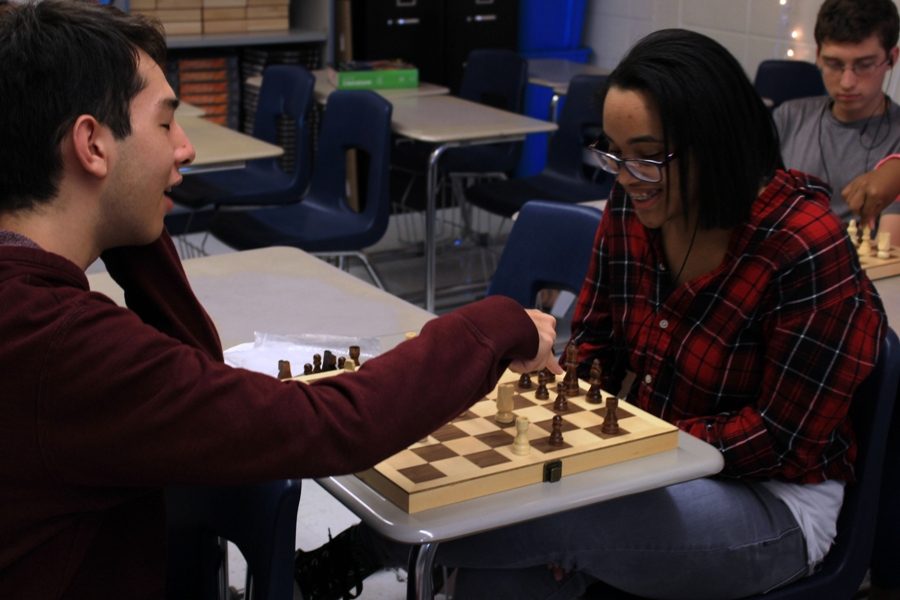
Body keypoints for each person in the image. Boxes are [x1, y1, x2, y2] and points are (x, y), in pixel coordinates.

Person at [297, 28, 887, 600]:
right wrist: (573, 412)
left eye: (649, 158)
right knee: (506, 571)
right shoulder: (632, 207)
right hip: (648, 463)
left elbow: (783, 439)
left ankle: (352, 556)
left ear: (717, 144)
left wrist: (629, 450)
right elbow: (597, 344)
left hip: (772, 502)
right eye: (615, 155)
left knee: (552, 518)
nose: (628, 180)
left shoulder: (805, 245)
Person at [0, 2, 562, 598]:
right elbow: (326, 424)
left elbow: (201, 397)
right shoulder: (54, 342)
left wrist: (121, 215)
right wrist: (492, 324)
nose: (185, 149)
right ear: (91, 144)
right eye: (166, 125)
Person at [773, 0, 900, 235]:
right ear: (819, 55)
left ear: (892, 58)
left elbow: (892, 248)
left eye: (864, 65)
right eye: (834, 64)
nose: (847, 82)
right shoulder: (788, 117)